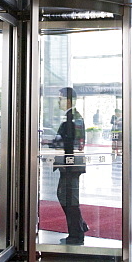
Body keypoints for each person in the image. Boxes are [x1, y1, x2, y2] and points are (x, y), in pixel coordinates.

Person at [53, 87, 87, 245]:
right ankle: (80, 227)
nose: (58, 101)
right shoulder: (71, 116)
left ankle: (76, 233)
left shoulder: (73, 117)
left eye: (60, 98)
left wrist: (54, 142)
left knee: (69, 199)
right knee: (65, 196)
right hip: (70, 165)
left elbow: (72, 143)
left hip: (71, 165)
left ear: (68, 100)